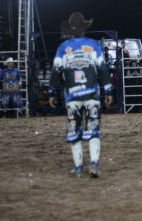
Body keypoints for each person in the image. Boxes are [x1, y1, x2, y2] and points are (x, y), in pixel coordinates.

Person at [49, 12, 113, 178]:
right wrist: (108, 90)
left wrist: (51, 92)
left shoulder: (63, 47)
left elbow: (56, 70)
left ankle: (78, 167)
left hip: (72, 97)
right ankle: (94, 164)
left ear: (70, 30)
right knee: (93, 129)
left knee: (74, 130)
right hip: (92, 95)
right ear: (84, 29)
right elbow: (102, 68)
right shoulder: (93, 45)